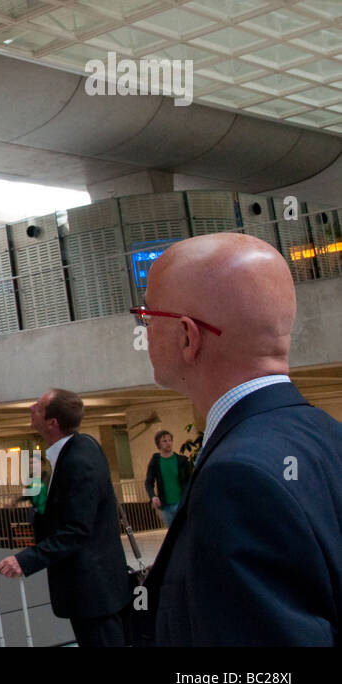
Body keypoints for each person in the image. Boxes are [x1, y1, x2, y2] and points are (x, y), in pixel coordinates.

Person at [139, 233, 342, 646]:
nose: (143, 332)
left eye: (146, 317)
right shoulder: (328, 436)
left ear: (186, 336)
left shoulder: (235, 477)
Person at [0, 389, 130, 647]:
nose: (31, 408)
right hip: (94, 586)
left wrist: (25, 559)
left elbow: (77, 530)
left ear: (52, 422)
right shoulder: (83, 445)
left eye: (38, 406)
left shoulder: (78, 460)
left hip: (93, 590)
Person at [143, 429, 191, 527]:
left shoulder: (182, 461)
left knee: (185, 530)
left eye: (170, 440)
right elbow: (149, 482)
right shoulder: (156, 461)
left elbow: (190, 480)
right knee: (172, 534)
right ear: (159, 444)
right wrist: (153, 496)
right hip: (166, 505)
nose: (168, 443)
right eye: (164, 441)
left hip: (182, 503)